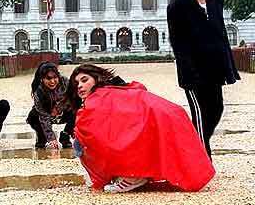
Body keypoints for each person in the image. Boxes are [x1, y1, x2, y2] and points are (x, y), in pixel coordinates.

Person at [66, 64, 215, 193]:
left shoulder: (98, 98)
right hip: (167, 116)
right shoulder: (112, 90)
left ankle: (131, 175)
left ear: (96, 79)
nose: (79, 86)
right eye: (76, 84)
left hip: (159, 119)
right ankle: (130, 173)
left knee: (83, 134)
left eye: (84, 80)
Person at [167, 0, 240, 158]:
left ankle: (187, 148)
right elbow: (179, 44)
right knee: (200, 115)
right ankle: (202, 160)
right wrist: (189, 75)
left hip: (215, 69)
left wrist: (228, 67)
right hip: (194, 73)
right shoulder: (177, 6)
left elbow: (221, 34)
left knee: (216, 109)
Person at [26, 61, 75, 149]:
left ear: (58, 76)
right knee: (32, 116)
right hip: (47, 114)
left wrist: (59, 107)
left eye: (55, 77)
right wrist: (51, 138)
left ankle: (65, 135)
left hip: (64, 112)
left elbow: (75, 100)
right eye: (48, 78)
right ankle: (41, 137)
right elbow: (43, 116)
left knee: (78, 110)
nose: (52, 81)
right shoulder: (38, 91)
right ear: (42, 78)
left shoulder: (66, 83)